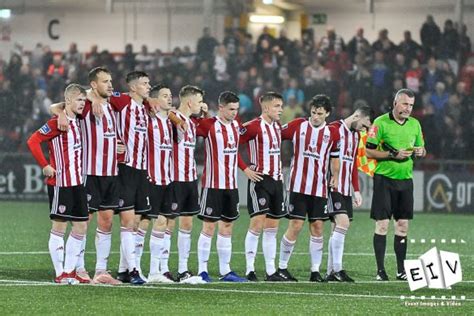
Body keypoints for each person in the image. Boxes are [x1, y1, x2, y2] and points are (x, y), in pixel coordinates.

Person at [51, 67, 123, 285]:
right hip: (89, 172)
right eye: (105, 81)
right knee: (84, 220)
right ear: (93, 84)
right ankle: (79, 268)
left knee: (107, 220)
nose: (110, 85)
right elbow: (54, 106)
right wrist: (62, 113)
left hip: (111, 171)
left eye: (111, 81)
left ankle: (101, 270)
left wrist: (119, 146)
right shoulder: (85, 104)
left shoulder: (112, 104)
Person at [27, 84, 89, 284]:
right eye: (79, 100)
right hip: (61, 182)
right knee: (59, 226)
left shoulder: (78, 120)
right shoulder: (56, 123)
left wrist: (62, 110)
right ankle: (60, 272)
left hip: (78, 182)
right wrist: (44, 164)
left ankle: (70, 271)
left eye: (83, 100)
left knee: (81, 226)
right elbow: (33, 141)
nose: (83, 104)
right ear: (69, 101)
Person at [277, 95, 339, 282]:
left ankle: (315, 271)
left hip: (319, 188)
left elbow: (334, 157)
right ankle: (282, 267)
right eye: (313, 112)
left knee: (318, 227)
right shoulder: (298, 125)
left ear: (327, 113)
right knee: (295, 226)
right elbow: (275, 135)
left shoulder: (332, 133)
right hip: (298, 186)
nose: (316, 117)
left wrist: (335, 175)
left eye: (320, 113)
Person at [365, 89, 425, 281]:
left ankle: (401, 271)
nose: (408, 108)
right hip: (384, 180)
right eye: (405, 104)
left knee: (402, 226)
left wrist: (420, 151)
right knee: (382, 225)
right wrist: (392, 154)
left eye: (411, 105)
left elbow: (421, 148)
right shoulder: (380, 123)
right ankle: (380, 271)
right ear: (395, 103)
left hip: (405, 180)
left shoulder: (415, 124)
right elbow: (369, 152)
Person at [195, 91, 247, 283]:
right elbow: (187, 127)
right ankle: (202, 270)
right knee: (208, 227)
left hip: (231, 186)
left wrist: (245, 168)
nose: (234, 113)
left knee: (227, 227)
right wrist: (200, 114)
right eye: (231, 109)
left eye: (237, 109)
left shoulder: (237, 127)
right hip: (212, 185)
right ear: (221, 107)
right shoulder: (208, 125)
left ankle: (226, 271)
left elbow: (237, 150)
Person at [238, 92, 287, 282]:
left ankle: (270, 271)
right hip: (260, 180)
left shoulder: (276, 127)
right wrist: (245, 169)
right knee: (257, 223)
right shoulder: (252, 127)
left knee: (272, 227)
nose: (280, 110)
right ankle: (250, 269)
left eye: (281, 106)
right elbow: (231, 145)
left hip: (277, 181)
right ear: (266, 108)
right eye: (277, 106)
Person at [325, 105, 373, 282]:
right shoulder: (333, 130)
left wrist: (356, 190)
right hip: (332, 186)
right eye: (365, 125)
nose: (365, 130)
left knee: (336, 229)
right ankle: (338, 270)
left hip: (345, 188)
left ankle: (330, 272)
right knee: (343, 223)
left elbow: (352, 165)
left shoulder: (355, 135)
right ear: (358, 116)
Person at [169, 85, 207, 283]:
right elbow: (164, 112)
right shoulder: (172, 117)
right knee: (167, 223)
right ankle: (163, 268)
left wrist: (202, 116)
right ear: (189, 102)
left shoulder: (192, 123)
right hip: (173, 178)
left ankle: (183, 269)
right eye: (199, 101)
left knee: (187, 223)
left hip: (190, 178)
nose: (202, 105)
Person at [145, 84, 176, 283]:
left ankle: (156, 270)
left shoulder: (171, 123)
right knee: (142, 224)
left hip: (168, 179)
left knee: (164, 223)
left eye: (170, 95)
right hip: (150, 179)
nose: (169, 98)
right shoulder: (149, 121)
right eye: (165, 96)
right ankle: (133, 269)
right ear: (155, 100)